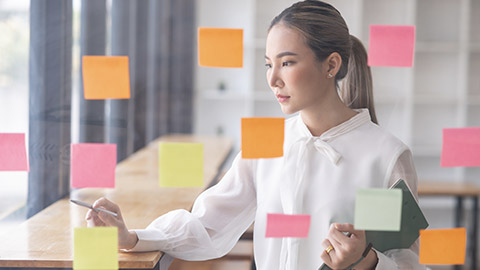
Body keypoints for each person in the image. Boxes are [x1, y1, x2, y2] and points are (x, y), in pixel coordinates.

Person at [86, 1, 425, 269]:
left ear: (331, 65)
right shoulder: (267, 144)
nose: (273, 79)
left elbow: (402, 259)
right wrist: (131, 238)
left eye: (287, 63)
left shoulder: (382, 155)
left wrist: (366, 263)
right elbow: (209, 225)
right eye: (268, 64)